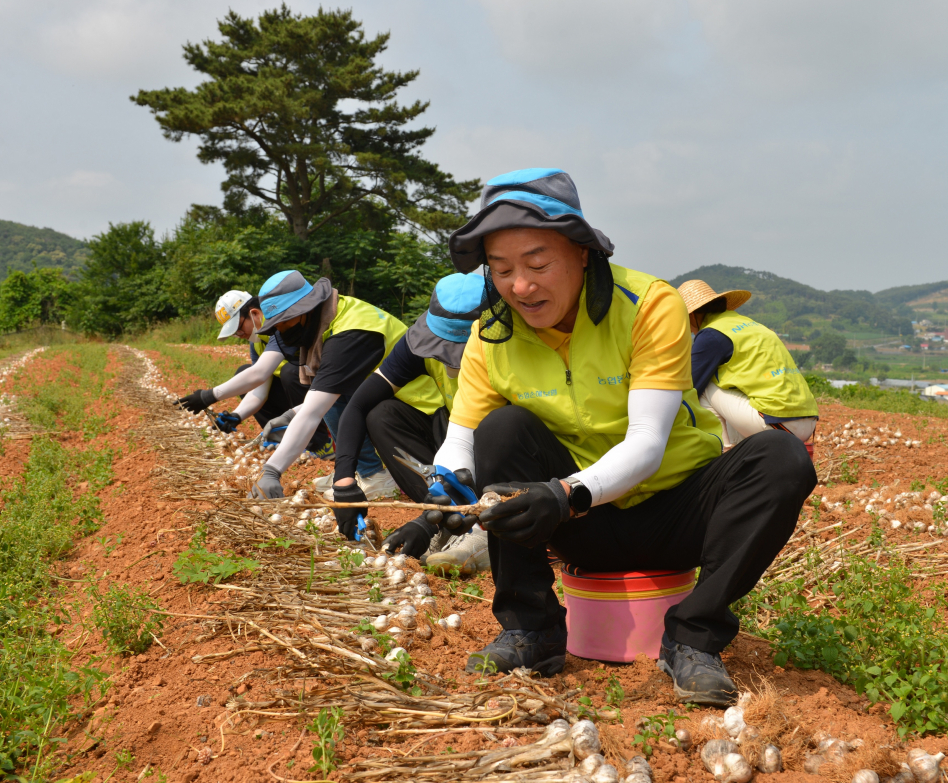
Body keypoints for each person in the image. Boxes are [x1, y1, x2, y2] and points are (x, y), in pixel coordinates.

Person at [428, 168, 816, 705]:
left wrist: (564, 493)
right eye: (501, 270)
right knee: (503, 429)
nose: (520, 285)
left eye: (537, 263)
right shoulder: (492, 333)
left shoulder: (648, 306)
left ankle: (694, 638)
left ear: (583, 252)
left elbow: (647, 442)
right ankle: (531, 630)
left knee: (781, 457)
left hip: (674, 511)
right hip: (581, 526)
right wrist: (449, 486)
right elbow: (463, 437)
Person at [329, 273, 491, 574]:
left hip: (504, 447)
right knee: (382, 413)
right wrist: (344, 482)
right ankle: (446, 518)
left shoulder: (512, 348)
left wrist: (422, 521)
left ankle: (485, 530)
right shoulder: (416, 345)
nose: (450, 361)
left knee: (500, 427)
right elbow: (358, 405)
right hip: (456, 434)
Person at [248, 270, 442, 521]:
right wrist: (292, 412)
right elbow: (326, 393)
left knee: (334, 396)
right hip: (393, 399)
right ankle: (363, 471)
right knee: (328, 391)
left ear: (304, 310)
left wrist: (272, 470)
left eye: (285, 321)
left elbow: (317, 407)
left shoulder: (350, 333)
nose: (281, 330)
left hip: (422, 411)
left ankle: (373, 475)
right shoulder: (333, 315)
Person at [676, 280, 819, 457]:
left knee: (706, 387)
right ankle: (742, 453)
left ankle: (722, 455)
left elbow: (689, 388)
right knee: (729, 386)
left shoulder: (711, 335)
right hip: (808, 420)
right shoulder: (749, 325)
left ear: (692, 315)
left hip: (778, 423)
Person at [176, 290, 309, 437]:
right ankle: (282, 434)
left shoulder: (282, 325)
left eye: (238, 329)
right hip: (297, 396)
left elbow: (259, 373)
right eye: (234, 333)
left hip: (321, 393)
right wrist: (237, 415)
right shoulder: (257, 342)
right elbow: (260, 386)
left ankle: (318, 436)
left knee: (289, 372)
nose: (239, 336)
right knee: (244, 373)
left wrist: (208, 396)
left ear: (254, 313)